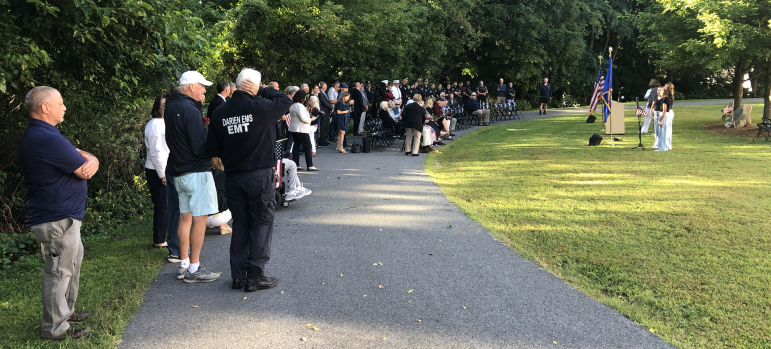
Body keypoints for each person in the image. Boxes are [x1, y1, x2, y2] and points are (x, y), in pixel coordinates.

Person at [20, 86, 100, 341]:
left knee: (70, 265)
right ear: (45, 107)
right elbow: (81, 168)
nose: (64, 107)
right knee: (58, 272)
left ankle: (66, 312)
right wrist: (90, 160)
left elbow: (84, 159)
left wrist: (92, 158)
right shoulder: (46, 138)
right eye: (60, 103)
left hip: (64, 218)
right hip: (56, 219)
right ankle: (55, 328)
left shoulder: (46, 134)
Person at [206, 68, 292, 292]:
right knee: (262, 221)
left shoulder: (220, 112)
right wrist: (263, 90)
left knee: (241, 223)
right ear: (254, 86)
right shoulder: (262, 108)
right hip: (259, 174)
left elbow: (212, 148)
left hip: (233, 175)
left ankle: (238, 274)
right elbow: (285, 100)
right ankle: (256, 273)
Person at [164, 71, 221, 283]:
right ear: (190, 87)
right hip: (197, 171)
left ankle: (184, 263)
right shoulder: (190, 109)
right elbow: (199, 146)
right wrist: (216, 149)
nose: (204, 90)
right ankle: (195, 268)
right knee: (200, 219)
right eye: (201, 86)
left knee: (184, 217)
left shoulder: (171, 106)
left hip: (179, 171)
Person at [145, 92, 176, 249]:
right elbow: (156, 152)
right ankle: (159, 239)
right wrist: (162, 174)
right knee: (162, 206)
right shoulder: (155, 124)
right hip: (156, 170)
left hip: (163, 168)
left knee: (165, 205)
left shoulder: (164, 122)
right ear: (157, 107)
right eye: (163, 106)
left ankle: (162, 236)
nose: (166, 108)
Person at [288, 90, 318, 170]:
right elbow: (303, 118)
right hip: (301, 129)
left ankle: (296, 164)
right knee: (308, 146)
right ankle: (309, 165)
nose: (305, 99)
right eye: (304, 97)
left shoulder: (293, 105)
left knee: (296, 146)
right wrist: (311, 119)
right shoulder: (299, 106)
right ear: (301, 97)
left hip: (294, 128)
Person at [208, 157, 232, 234]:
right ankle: (223, 225)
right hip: (219, 217)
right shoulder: (222, 174)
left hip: (198, 217)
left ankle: (204, 225)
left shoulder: (202, 175)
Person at [655, 82, 675, 151]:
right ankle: (666, 146)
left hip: (663, 116)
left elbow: (664, 110)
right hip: (667, 115)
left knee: (662, 133)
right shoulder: (669, 98)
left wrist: (661, 120)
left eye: (661, 91)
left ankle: (662, 148)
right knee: (666, 132)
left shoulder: (664, 100)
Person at [317, 82, 333, 146]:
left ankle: (323, 139)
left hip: (326, 111)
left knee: (325, 126)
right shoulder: (320, 93)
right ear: (322, 86)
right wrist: (331, 107)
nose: (326, 87)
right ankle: (321, 140)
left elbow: (327, 101)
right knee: (323, 126)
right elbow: (324, 102)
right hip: (324, 111)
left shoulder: (324, 93)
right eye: (325, 85)